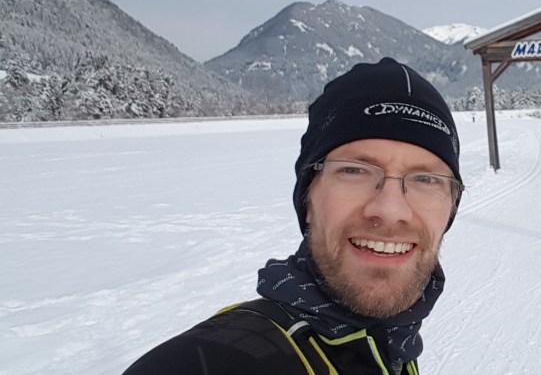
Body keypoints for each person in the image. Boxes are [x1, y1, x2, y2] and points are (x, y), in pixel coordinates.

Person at [123, 57, 464, 374]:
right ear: (308, 198)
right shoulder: (210, 359)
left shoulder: (394, 343)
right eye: (354, 170)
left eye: (426, 179)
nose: (390, 211)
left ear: (450, 207)